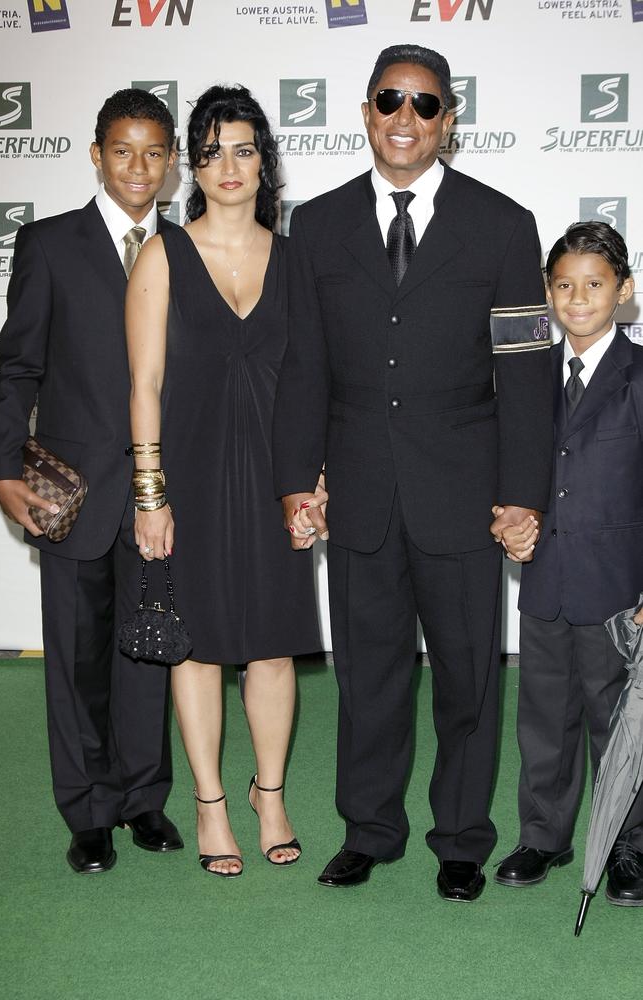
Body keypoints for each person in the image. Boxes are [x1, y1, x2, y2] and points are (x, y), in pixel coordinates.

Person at [272, 44, 554, 901]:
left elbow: (528, 378)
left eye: (425, 105)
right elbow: (303, 367)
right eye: (390, 100)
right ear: (365, 113)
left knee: (468, 680)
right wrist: (296, 477)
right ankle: (369, 829)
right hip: (358, 494)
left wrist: (522, 497)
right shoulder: (315, 226)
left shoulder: (505, 226)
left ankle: (462, 839)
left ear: (448, 123)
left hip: (466, 497)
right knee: (367, 678)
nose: (406, 117)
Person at [125, 85, 320, 878]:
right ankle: (209, 801)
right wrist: (150, 494)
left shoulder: (295, 255)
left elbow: (312, 379)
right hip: (192, 477)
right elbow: (143, 383)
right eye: (210, 152)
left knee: (272, 648)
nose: (227, 167)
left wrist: (313, 480)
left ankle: (267, 794)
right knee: (196, 647)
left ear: (263, 160)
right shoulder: (161, 253)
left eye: (243, 149)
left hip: (276, 479)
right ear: (191, 168)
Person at [0, 89, 183, 873]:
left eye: (153, 152)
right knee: (75, 657)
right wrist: (4, 468)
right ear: (97, 153)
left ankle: (143, 800)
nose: (138, 166)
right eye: (122, 149)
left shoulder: (192, 249)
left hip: (160, 495)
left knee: (148, 650)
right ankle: (88, 811)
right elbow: (19, 368)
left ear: (171, 163)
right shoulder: (49, 245)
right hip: (69, 494)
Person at [494, 221, 643, 905]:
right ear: (547, 294)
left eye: (594, 284)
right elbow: (510, 465)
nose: (577, 298)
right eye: (563, 285)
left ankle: (627, 846)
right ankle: (543, 836)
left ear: (624, 291)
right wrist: (506, 515)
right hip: (545, 583)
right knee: (544, 720)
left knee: (622, 725)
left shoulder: (639, 376)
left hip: (618, 589)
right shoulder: (526, 374)